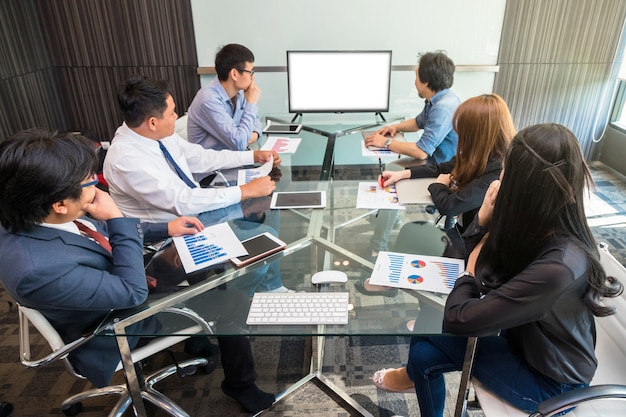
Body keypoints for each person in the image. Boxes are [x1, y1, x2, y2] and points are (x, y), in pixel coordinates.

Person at [0, 130, 276, 413]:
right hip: (116, 325)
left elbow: (100, 233)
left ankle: (198, 340)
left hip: (113, 278)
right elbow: (132, 294)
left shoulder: (30, 214)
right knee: (235, 302)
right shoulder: (37, 269)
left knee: (202, 261)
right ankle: (241, 385)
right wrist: (117, 216)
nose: (97, 187)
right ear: (59, 204)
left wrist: (165, 229)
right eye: (90, 182)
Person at [370, 123, 624, 417]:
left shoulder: (559, 264)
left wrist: (469, 269)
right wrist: (482, 222)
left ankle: (411, 376)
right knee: (426, 337)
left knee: (426, 348)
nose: (499, 178)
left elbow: (458, 318)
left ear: (525, 186)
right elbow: (490, 275)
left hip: (548, 383)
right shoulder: (546, 226)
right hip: (526, 341)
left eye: (506, 172)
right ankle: (413, 377)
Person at [104, 75, 291, 294]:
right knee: (264, 242)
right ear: (152, 122)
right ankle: (236, 306)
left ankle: (270, 286)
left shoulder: (155, 135)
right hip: (170, 239)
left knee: (269, 207)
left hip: (197, 215)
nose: (177, 116)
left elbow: (201, 158)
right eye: (172, 112)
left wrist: (251, 157)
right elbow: (184, 202)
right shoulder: (126, 159)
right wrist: (243, 191)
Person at [358, 94, 515, 296]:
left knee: (417, 238)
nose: (459, 136)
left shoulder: (498, 170)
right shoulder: (482, 154)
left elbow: (450, 205)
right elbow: (442, 167)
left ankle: (427, 306)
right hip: (465, 233)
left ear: (477, 134)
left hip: (481, 252)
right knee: (411, 231)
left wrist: (438, 184)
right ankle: (396, 285)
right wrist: (403, 173)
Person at [364, 51, 460, 163]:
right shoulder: (440, 98)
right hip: (434, 161)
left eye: (417, 77)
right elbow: (418, 122)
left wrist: (385, 142)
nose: (415, 82)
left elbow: (421, 152)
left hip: (441, 168)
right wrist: (395, 127)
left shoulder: (443, 108)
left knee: (391, 169)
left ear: (426, 82)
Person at [187, 43, 262, 151]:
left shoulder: (239, 93)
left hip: (233, 158)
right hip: (214, 166)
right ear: (234, 74)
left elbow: (256, 124)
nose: (253, 77)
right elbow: (239, 143)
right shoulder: (209, 99)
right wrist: (252, 103)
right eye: (250, 72)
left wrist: (250, 136)